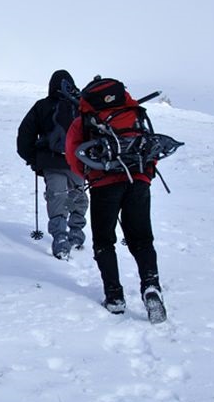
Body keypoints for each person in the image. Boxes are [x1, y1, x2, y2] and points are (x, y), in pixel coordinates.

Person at [65, 76, 167, 323]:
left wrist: (92, 173)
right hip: (138, 181)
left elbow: (72, 153)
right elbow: (149, 143)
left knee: (104, 241)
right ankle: (151, 286)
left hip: (104, 184)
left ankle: (114, 297)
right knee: (142, 240)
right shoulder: (133, 112)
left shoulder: (86, 119)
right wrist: (145, 175)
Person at [17, 69, 88, 259]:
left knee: (56, 196)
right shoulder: (81, 105)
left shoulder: (42, 106)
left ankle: (60, 238)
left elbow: (25, 135)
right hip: (78, 162)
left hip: (51, 161)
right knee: (77, 194)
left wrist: (34, 159)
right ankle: (76, 233)